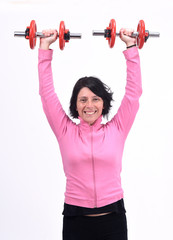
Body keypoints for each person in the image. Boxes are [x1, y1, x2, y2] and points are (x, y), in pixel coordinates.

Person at [38, 27, 142, 240]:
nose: (89, 105)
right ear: (75, 106)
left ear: (103, 104)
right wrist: (45, 47)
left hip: (112, 220)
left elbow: (133, 93)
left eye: (96, 99)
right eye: (83, 100)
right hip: (76, 221)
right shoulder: (65, 130)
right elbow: (47, 94)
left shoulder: (117, 129)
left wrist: (131, 47)